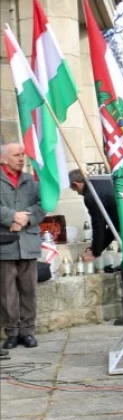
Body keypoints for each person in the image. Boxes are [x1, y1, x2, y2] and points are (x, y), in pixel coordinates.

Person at [68, 170, 123, 327]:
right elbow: (112, 225)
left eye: (75, 191)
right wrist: (97, 249)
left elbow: (99, 225)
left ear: (77, 184)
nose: (78, 194)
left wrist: (96, 251)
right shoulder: (102, 183)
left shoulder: (91, 195)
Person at [1, 143, 46, 350]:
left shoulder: (32, 180)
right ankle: (11, 332)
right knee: (6, 292)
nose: (21, 158)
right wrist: (12, 216)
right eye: (16, 155)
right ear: (3, 159)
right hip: (5, 243)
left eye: (22, 154)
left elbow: (43, 204)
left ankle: (28, 332)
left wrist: (24, 219)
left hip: (28, 240)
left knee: (29, 290)